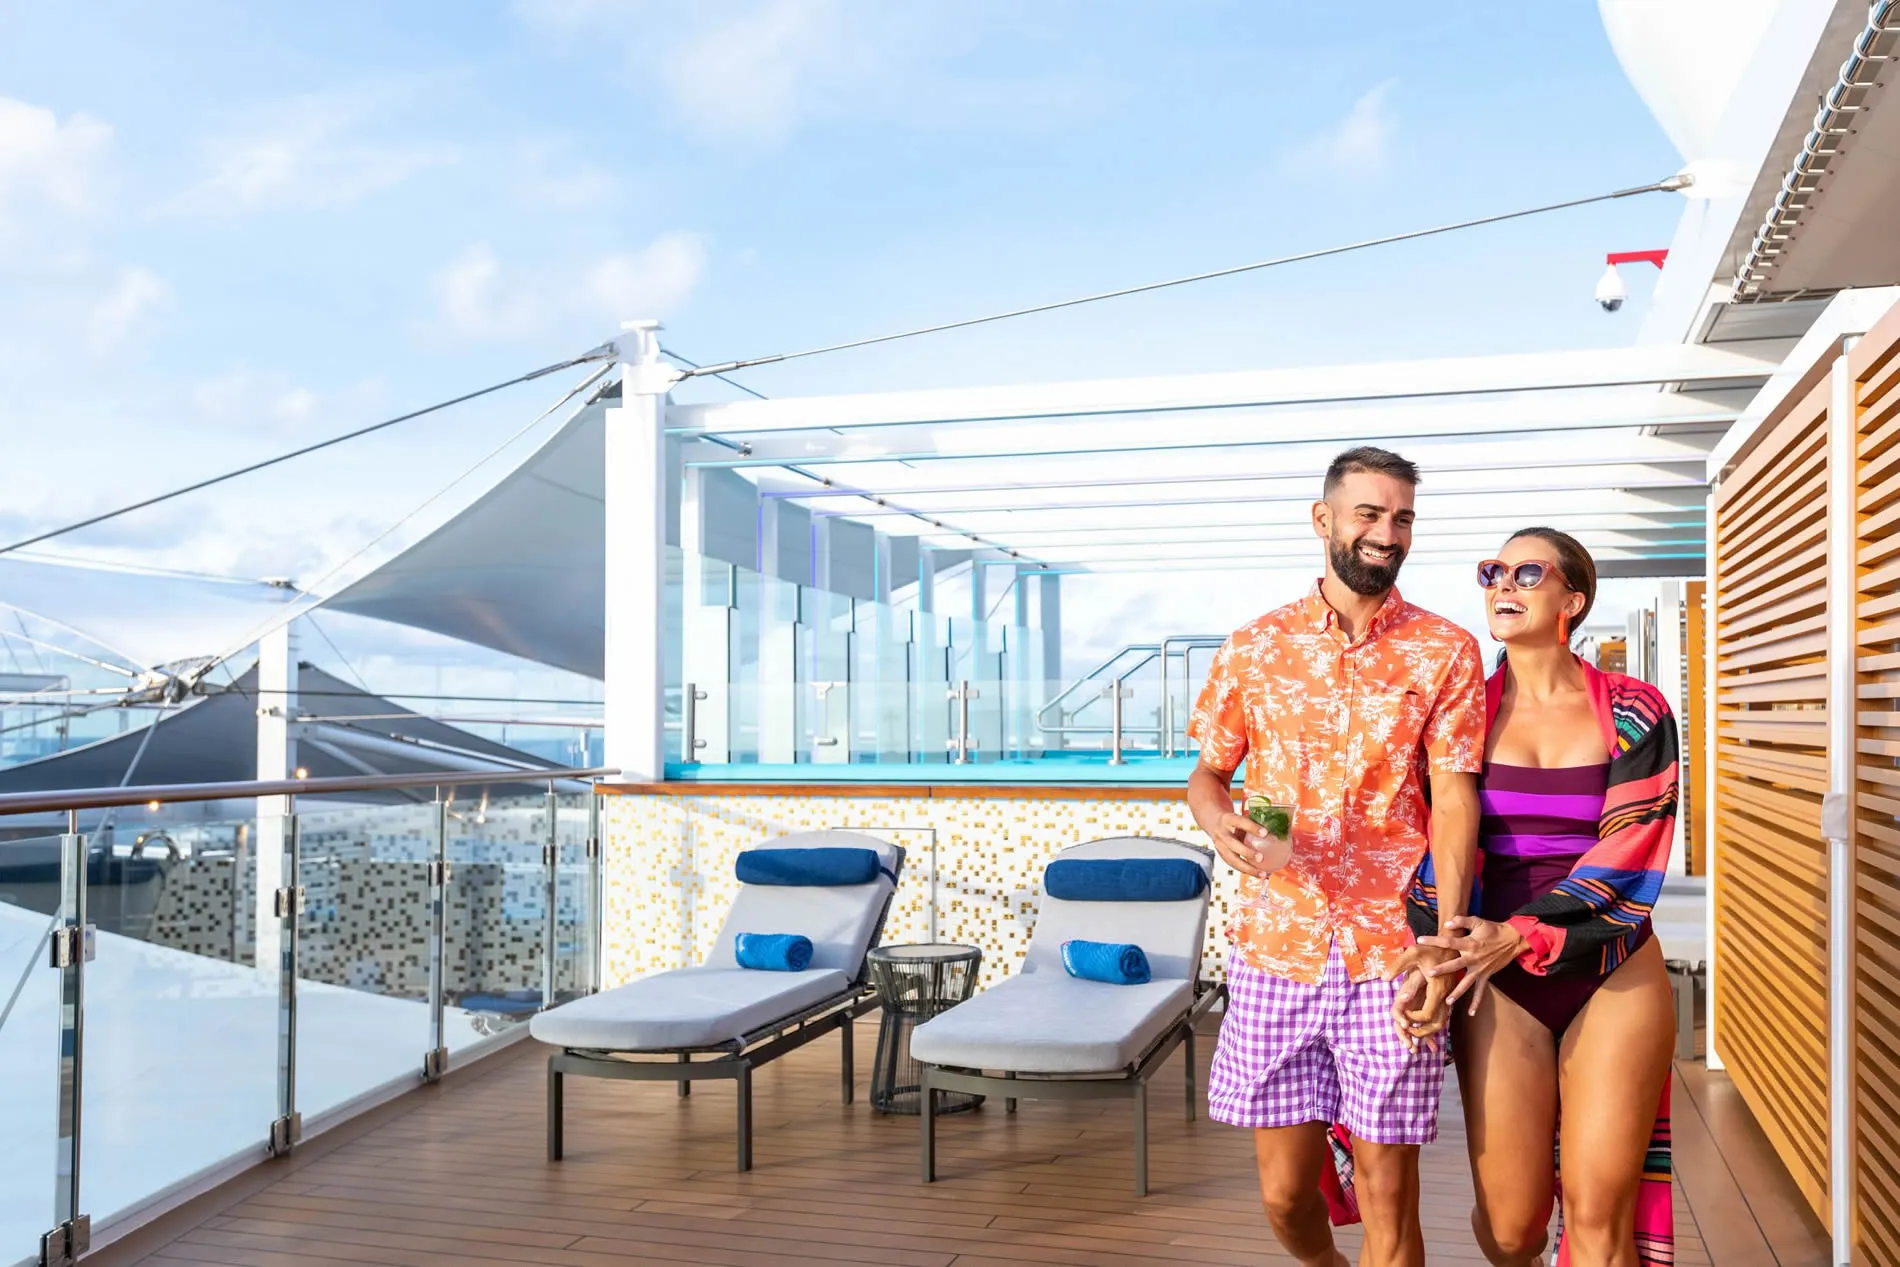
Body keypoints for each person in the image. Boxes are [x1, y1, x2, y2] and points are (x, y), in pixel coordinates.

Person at [1186, 445, 1485, 1267]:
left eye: (1403, 518)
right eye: (1370, 513)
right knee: (1286, 1195)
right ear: (1324, 519)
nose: (1388, 532)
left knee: (1390, 1198)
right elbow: (1208, 773)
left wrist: (1446, 940)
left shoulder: (1446, 649)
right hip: (1278, 946)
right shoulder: (1255, 646)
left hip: (1393, 951)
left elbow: (1455, 798)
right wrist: (1220, 823)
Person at [1394, 527, 1679, 1267]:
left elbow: (1634, 846)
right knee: (1512, 1230)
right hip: (1499, 982)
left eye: (1526, 572)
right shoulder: (1461, 713)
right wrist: (1438, 948)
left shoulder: (1635, 710)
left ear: (1571, 600)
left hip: (1613, 966)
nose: (1503, 585)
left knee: (1599, 1218)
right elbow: (1429, 839)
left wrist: (1519, 931)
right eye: (1492, 571)